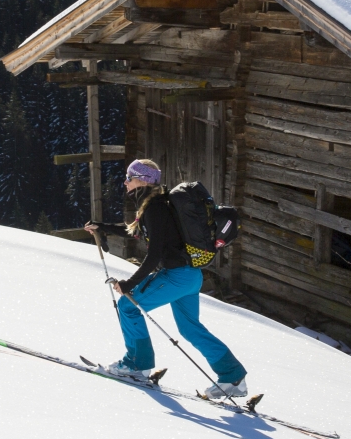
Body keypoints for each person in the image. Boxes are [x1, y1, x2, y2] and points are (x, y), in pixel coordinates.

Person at [83, 159, 249, 399]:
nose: (126, 182)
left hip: (177, 276)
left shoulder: (155, 208)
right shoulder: (158, 203)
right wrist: (103, 227)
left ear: (142, 180)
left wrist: (130, 284)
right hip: (191, 276)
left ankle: (136, 365)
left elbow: (155, 253)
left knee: (128, 306)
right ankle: (233, 377)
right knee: (190, 329)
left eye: (130, 177)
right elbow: (136, 232)